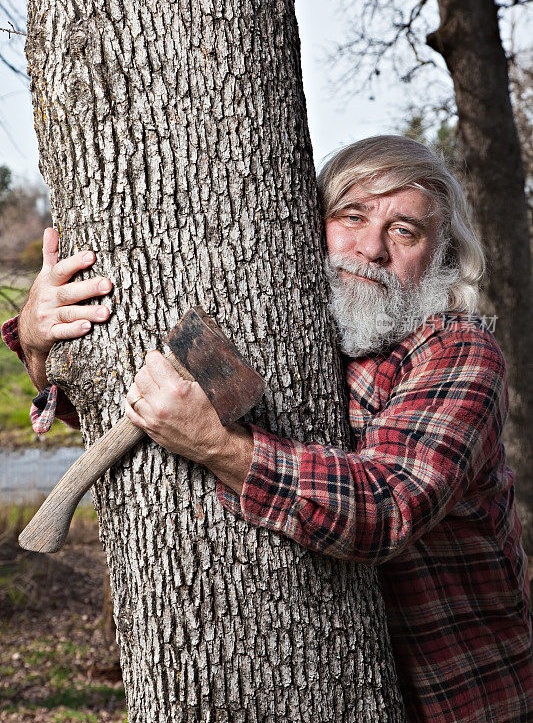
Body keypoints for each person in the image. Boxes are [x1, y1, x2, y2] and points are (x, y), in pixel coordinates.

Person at [3, 136, 532, 722]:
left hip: (462, 700)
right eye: (352, 215)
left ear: (442, 258)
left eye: (405, 231)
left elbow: (388, 508)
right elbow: (129, 403)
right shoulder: (290, 326)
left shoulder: (458, 351)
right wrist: (37, 342)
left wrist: (214, 444)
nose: (371, 248)